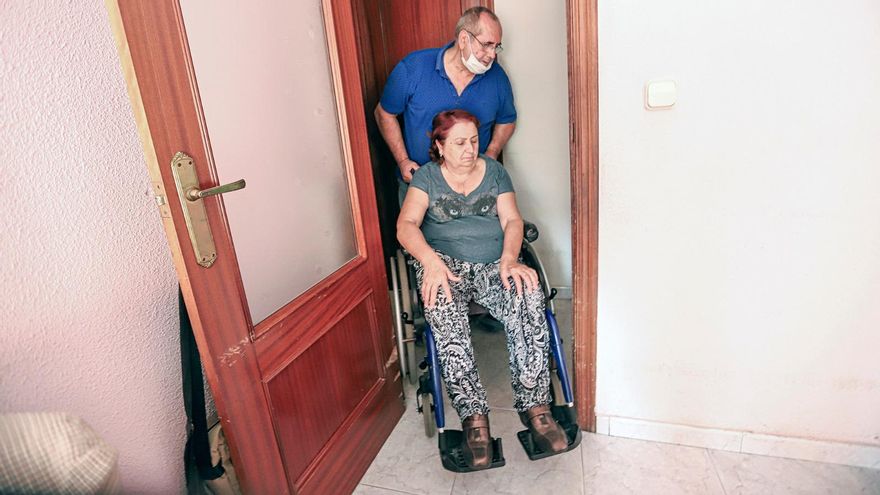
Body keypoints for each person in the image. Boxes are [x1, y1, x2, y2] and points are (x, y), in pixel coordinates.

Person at [397, 110, 567, 470]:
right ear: (439, 146)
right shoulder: (426, 178)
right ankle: (474, 419)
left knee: (527, 295)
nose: (470, 149)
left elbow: (512, 220)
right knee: (442, 309)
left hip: (494, 261)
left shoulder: (494, 172)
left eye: (473, 140)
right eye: (459, 143)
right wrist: (429, 261)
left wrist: (510, 258)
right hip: (444, 264)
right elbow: (407, 225)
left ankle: (536, 407)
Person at [375, 7, 516, 203]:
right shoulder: (413, 68)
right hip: (419, 186)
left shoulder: (497, 78)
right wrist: (403, 161)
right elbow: (384, 114)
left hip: (475, 187)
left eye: (496, 46)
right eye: (486, 45)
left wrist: (491, 154)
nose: (492, 55)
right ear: (464, 39)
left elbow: (507, 120)